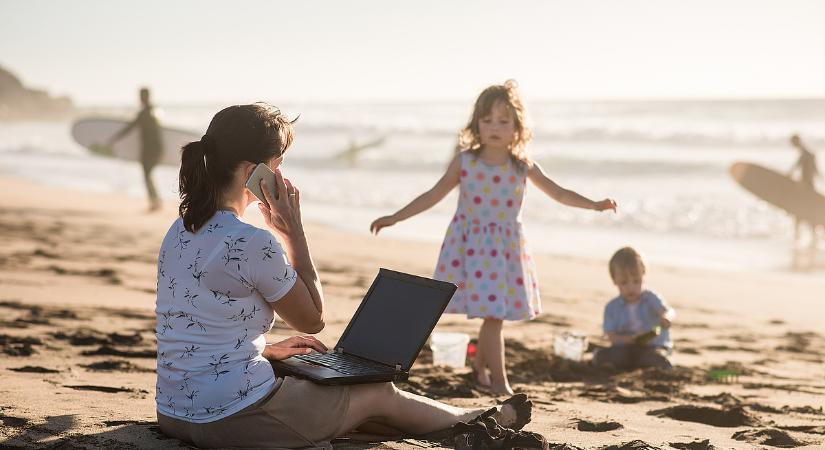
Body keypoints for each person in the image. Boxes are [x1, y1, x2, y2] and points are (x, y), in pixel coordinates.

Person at [154, 103, 534, 449]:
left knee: (334, 392)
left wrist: (263, 351)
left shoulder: (180, 230)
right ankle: (478, 423)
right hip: (233, 419)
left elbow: (193, 324)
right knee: (376, 392)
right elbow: (314, 319)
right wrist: (293, 234)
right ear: (253, 174)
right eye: (278, 163)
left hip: (173, 411)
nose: (281, 174)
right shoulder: (254, 242)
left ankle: (472, 427)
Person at [370, 80, 617, 395]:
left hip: (504, 252)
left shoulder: (521, 165)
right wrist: (395, 217)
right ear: (476, 124)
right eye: (487, 120)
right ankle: (499, 382)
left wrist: (594, 205)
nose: (494, 127)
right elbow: (433, 195)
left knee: (492, 314)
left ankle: (481, 371)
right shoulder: (466, 161)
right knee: (493, 317)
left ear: (517, 126)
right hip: (470, 249)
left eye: (503, 121)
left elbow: (559, 193)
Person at [592, 247, 675, 371]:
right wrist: (630, 339)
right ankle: (619, 365)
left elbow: (668, 311)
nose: (631, 287)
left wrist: (666, 318)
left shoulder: (651, 298)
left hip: (652, 346)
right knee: (602, 356)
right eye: (624, 283)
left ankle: (655, 365)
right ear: (614, 280)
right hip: (625, 348)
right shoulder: (612, 308)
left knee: (655, 357)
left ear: (644, 276)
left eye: (637, 281)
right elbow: (611, 336)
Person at [107, 87, 164, 212]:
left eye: (141, 96)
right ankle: (156, 200)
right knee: (148, 174)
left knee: (147, 174)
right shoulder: (155, 111)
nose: (140, 99)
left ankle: (155, 201)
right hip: (157, 147)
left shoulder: (144, 113)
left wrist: (115, 138)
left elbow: (130, 127)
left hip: (149, 148)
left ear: (144, 97)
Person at [788, 134, 821, 248]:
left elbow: (795, 168)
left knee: (798, 211)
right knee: (807, 211)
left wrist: (788, 177)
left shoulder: (805, 155)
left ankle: (797, 237)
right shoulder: (809, 154)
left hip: (804, 187)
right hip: (809, 187)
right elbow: (817, 172)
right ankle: (812, 237)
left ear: (797, 142)